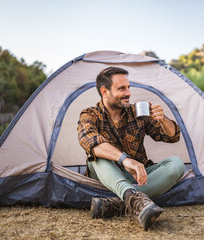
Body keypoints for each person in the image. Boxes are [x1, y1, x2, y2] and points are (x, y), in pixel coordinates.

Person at [77, 66, 185, 231]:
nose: (128, 93)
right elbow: (88, 140)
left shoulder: (136, 112)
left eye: (128, 88)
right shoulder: (90, 115)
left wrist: (163, 119)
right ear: (105, 92)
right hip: (106, 176)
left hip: (137, 176)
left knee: (176, 164)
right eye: (122, 88)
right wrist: (125, 159)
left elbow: (172, 136)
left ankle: (122, 202)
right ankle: (135, 200)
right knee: (96, 156)